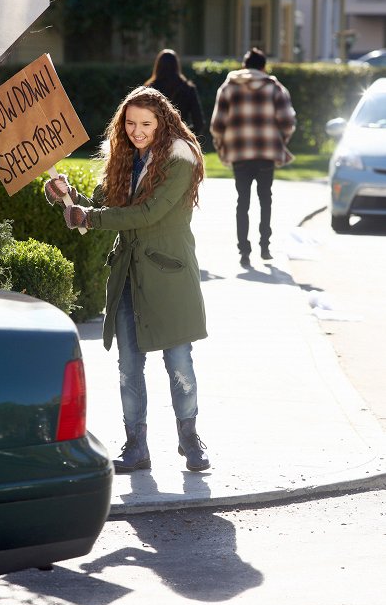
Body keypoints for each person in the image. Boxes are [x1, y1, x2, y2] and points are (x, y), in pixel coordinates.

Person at [44, 86, 210, 474]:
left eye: (146, 124)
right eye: (131, 123)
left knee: (179, 363)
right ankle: (136, 446)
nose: (137, 131)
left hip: (169, 275)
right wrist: (65, 196)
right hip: (127, 275)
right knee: (128, 366)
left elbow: (147, 213)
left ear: (163, 122)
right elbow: (100, 205)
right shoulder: (124, 159)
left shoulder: (179, 158)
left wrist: (90, 217)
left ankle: (190, 440)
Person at [210, 47, 296, 267]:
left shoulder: (229, 88)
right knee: (265, 199)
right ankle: (265, 247)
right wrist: (279, 142)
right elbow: (288, 122)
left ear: (243, 66)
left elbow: (217, 125)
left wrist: (222, 147)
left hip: (239, 152)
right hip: (266, 153)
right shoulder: (274, 87)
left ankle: (244, 251)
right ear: (263, 67)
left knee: (242, 202)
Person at [145, 49, 205, 137]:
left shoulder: (149, 89)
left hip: (155, 140)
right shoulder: (188, 88)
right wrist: (185, 135)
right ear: (177, 66)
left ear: (158, 66)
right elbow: (199, 123)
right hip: (179, 139)